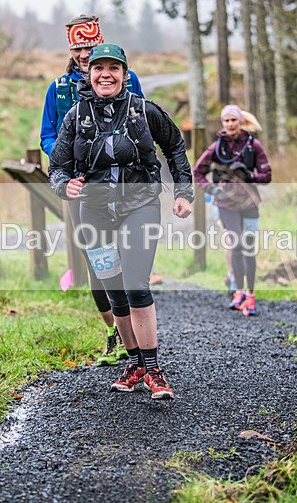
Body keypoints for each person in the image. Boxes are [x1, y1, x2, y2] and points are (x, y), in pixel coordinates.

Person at [49, 44, 193, 399]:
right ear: (90, 74)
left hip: (139, 204)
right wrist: (64, 185)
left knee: (135, 284)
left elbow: (175, 146)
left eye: (114, 68)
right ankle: (135, 363)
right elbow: (58, 165)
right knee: (113, 288)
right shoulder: (76, 116)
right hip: (93, 210)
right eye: (99, 68)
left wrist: (183, 192)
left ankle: (154, 370)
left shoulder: (144, 110)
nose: (106, 75)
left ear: (125, 75)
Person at [40, 15, 144, 366]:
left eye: (90, 46)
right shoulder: (58, 89)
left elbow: (143, 121)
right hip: (81, 185)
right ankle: (115, 331)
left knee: (130, 259)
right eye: (78, 48)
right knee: (97, 261)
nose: (85, 54)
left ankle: (140, 336)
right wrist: (68, 162)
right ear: (70, 49)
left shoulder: (125, 80)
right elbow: (48, 135)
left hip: (125, 183)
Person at [193, 105, 271, 316]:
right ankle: (239, 293)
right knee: (236, 243)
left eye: (233, 120)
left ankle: (251, 295)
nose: (229, 124)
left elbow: (267, 175)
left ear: (240, 122)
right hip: (226, 204)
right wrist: (211, 189)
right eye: (226, 121)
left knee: (249, 248)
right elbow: (198, 171)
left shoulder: (253, 146)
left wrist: (250, 176)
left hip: (250, 203)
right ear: (222, 123)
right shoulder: (217, 148)